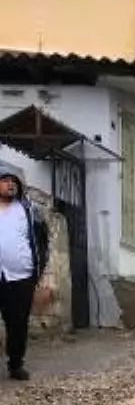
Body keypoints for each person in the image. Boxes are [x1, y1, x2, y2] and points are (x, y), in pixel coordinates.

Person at [0, 163, 48, 382]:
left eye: (13, 181)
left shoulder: (29, 211)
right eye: (5, 180)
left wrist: (38, 271)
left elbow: (41, 242)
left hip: (21, 276)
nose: (10, 185)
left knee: (17, 323)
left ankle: (16, 364)